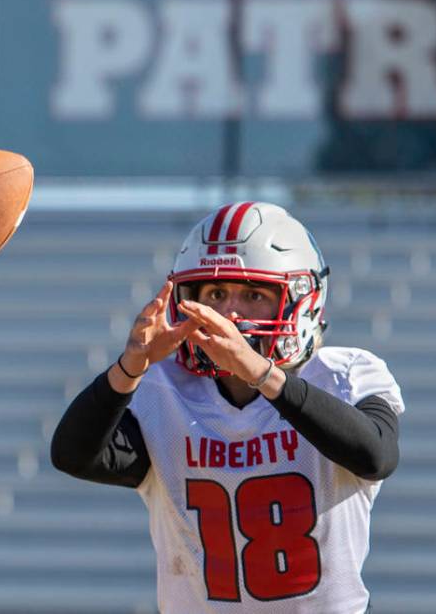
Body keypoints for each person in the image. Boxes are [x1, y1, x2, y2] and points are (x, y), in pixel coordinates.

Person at [50, 201, 404, 613]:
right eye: (216, 294)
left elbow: (375, 455)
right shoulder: (165, 392)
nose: (230, 313)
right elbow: (72, 455)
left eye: (253, 294)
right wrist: (130, 367)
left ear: (301, 300)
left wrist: (259, 371)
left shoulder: (344, 376)